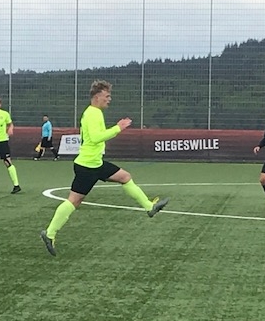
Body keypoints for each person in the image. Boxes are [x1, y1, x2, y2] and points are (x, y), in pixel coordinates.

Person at [40, 79, 169, 256]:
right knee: (73, 201)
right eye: (107, 96)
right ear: (97, 97)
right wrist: (118, 128)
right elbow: (95, 138)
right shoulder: (93, 114)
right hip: (88, 166)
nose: (109, 99)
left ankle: (149, 207)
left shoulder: (94, 112)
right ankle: (50, 233)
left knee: (125, 177)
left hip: (95, 163)